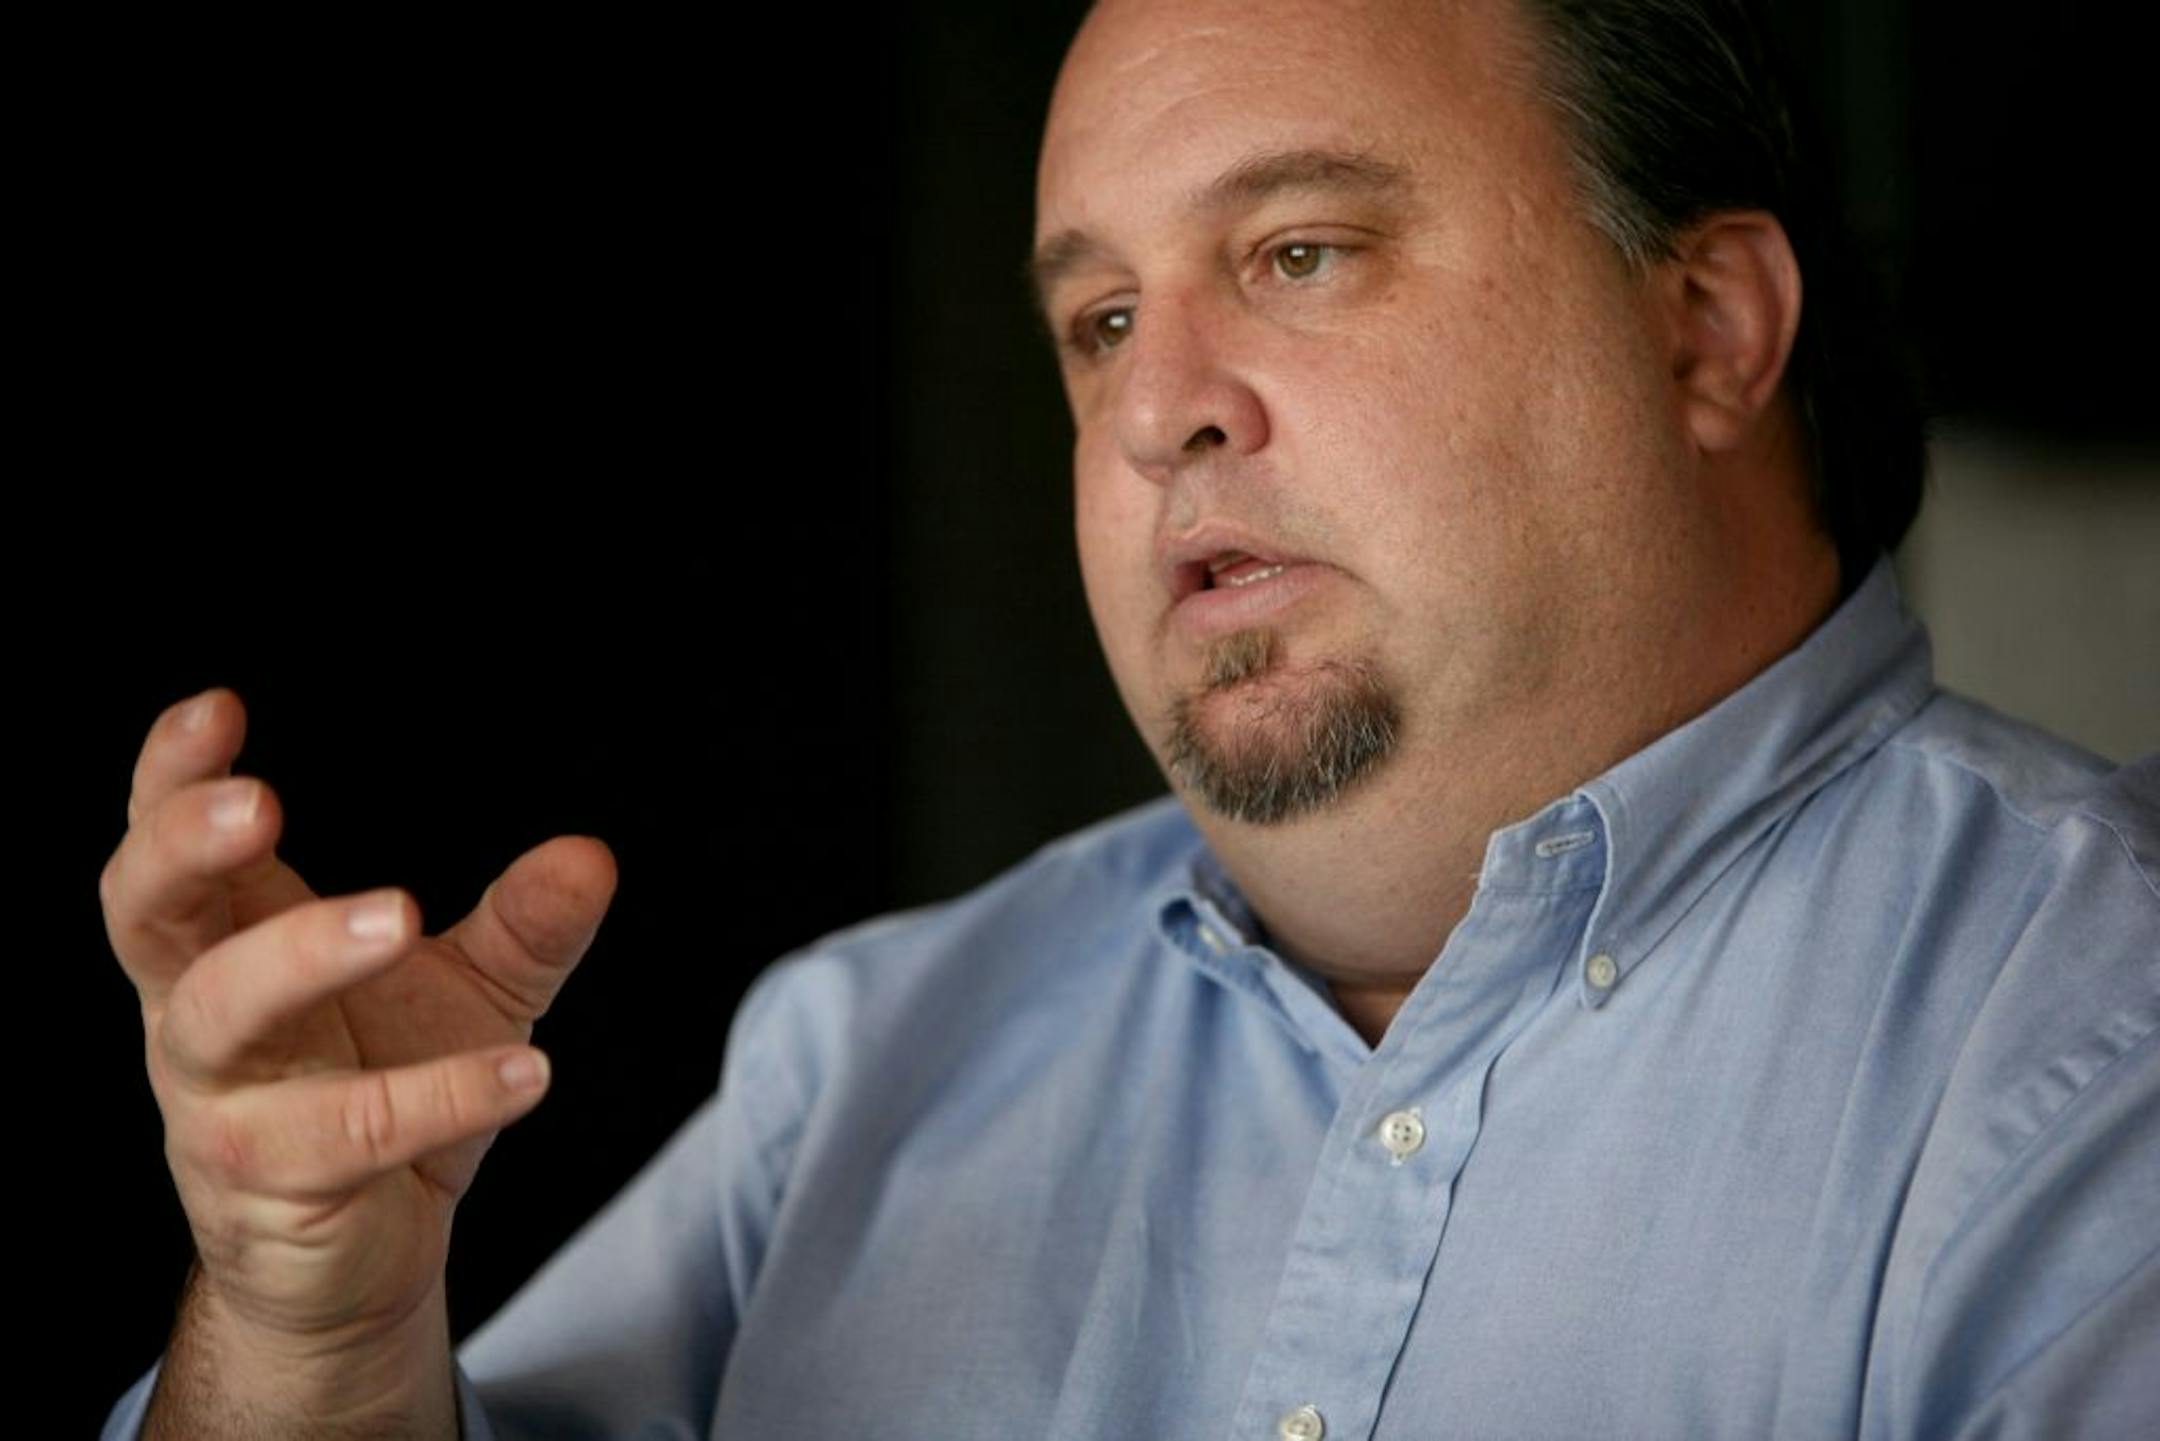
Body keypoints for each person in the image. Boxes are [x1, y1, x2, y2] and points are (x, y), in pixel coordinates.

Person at [104, 0, 2157, 1436]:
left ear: (1704, 327)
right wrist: (307, 1356)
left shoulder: (2099, 1034)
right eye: (1096, 320)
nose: (1157, 405)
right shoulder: (864, 1058)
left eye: (1300, 249)